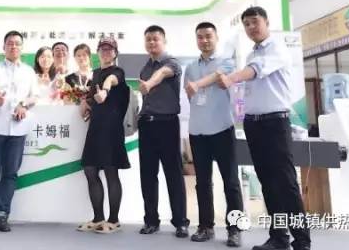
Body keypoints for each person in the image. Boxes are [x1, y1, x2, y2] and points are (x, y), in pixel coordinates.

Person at [217, 6, 310, 250]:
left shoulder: (276, 48)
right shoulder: (252, 53)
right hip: (254, 123)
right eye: (246, 24)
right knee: (267, 182)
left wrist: (231, 78)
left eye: (255, 22)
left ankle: (302, 241)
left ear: (266, 22)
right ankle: (279, 237)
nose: (251, 27)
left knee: (286, 182)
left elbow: (255, 71)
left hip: (275, 122)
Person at [184, 22, 243, 247]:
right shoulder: (190, 67)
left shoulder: (227, 61)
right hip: (198, 131)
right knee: (202, 183)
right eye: (200, 37)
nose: (204, 40)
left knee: (231, 182)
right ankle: (205, 226)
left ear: (216, 38)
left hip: (222, 129)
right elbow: (189, 94)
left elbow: (219, 78)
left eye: (208, 36)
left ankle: (235, 229)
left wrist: (198, 85)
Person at [0, 31, 39, 233]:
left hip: (18, 130)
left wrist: (24, 105)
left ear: (22, 48)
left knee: (10, 174)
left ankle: (2, 214)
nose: (13, 46)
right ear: (4, 47)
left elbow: (34, 96)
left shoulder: (29, 72)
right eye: (10, 43)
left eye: (17, 43)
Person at [137, 25, 189, 238]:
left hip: (167, 124)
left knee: (173, 174)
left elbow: (162, 74)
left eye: (155, 39)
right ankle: (151, 221)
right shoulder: (144, 67)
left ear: (164, 41)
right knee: (148, 175)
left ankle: (181, 222)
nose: (151, 42)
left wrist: (149, 83)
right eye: (148, 39)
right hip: (147, 125)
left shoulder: (172, 63)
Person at [78, 37, 130, 234]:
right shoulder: (96, 73)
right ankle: (98, 218)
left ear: (115, 53)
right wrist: (86, 102)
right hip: (95, 128)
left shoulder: (118, 71)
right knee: (90, 170)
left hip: (112, 129)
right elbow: (94, 97)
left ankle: (114, 220)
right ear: (98, 52)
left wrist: (105, 90)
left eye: (110, 49)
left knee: (111, 172)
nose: (106, 52)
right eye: (103, 49)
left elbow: (111, 81)